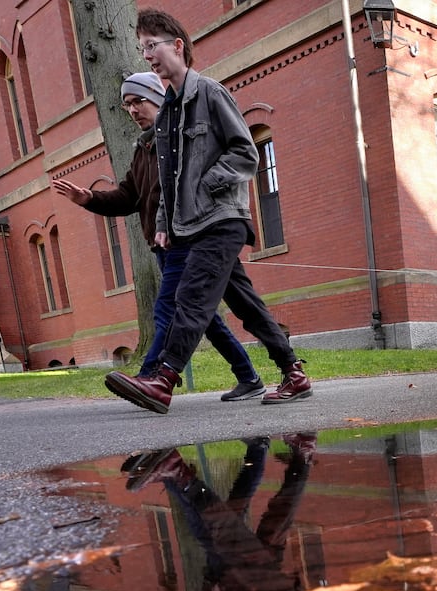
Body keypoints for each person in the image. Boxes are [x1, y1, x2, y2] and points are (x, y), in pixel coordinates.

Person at [104, 9, 311, 415]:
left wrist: (207, 183)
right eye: (142, 48)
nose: (147, 55)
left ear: (177, 46)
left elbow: (245, 152)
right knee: (246, 306)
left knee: (191, 296)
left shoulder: (211, 94)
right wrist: (164, 223)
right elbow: (167, 178)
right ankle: (294, 373)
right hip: (191, 226)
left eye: (152, 46)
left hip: (223, 219)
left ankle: (163, 380)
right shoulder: (167, 116)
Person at [52, 73, 266, 401]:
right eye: (127, 105)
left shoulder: (177, 142)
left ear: (158, 97)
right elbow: (128, 196)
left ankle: (151, 375)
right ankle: (249, 377)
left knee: (169, 306)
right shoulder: (143, 149)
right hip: (162, 246)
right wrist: (90, 199)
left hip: (188, 239)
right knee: (205, 318)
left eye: (139, 101)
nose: (133, 110)